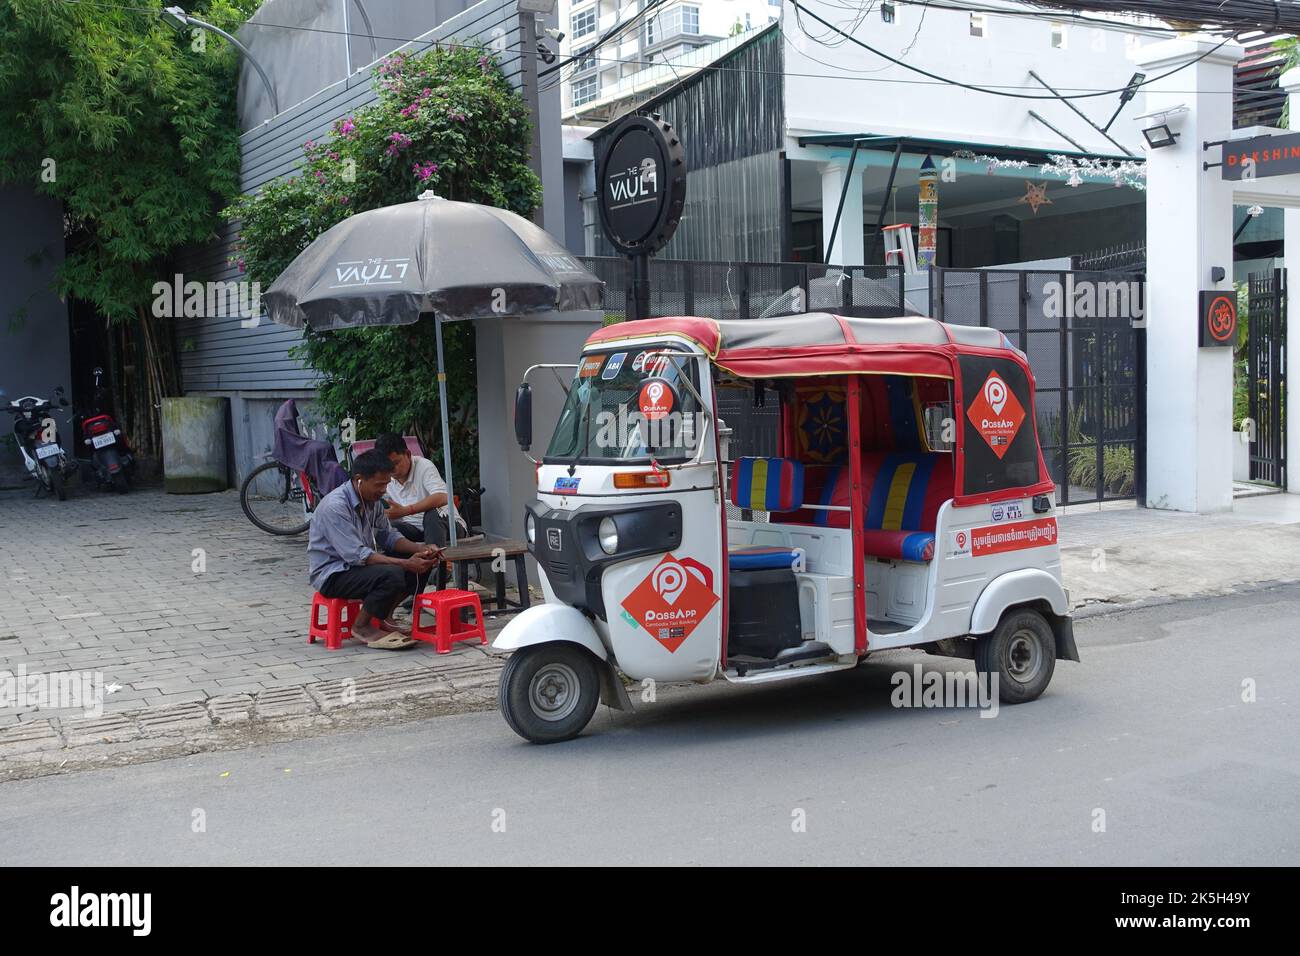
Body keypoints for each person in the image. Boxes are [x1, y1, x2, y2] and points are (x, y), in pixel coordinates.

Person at [307, 449, 440, 650]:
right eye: (379, 485)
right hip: (333, 574)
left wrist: (420, 548)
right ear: (359, 480)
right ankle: (361, 626)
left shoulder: (373, 502)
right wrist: (405, 563)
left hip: (357, 567)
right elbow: (357, 555)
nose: (384, 490)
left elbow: (388, 536)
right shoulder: (335, 507)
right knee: (394, 573)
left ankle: (385, 616)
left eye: (386, 484)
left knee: (421, 562)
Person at [375, 433, 467, 548]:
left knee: (432, 514)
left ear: (408, 454)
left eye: (395, 463)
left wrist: (406, 510)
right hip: (416, 530)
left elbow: (443, 497)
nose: (391, 469)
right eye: (386, 465)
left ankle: (436, 562)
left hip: (449, 527)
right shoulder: (385, 475)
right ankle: (403, 565)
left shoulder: (424, 466)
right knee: (387, 531)